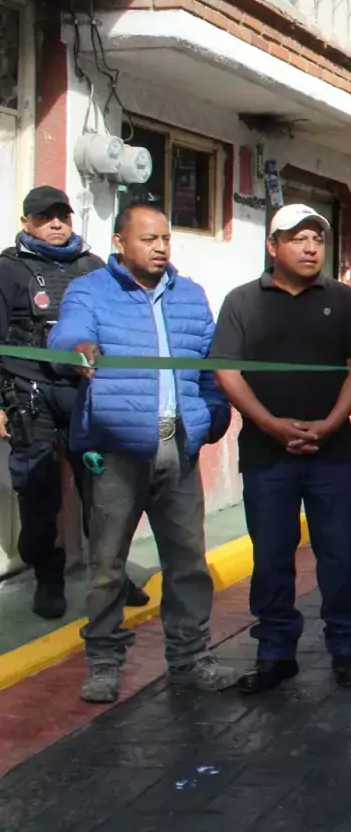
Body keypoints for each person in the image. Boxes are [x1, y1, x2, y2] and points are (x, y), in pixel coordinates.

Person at [50, 202, 235, 703]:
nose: (159, 248)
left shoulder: (190, 296)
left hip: (179, 449)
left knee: (188, 563)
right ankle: (105, 661)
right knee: (108, 566)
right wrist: (80, 349)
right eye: (148, 239)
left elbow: (210, 366)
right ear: (120, 243)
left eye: (166, 239)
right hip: (117, 453)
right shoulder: (90, 291)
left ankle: (190, 659)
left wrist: (211, 419)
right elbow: (67, 333)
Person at [211, 205, 351, 695]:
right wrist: (271, 426)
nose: (310, 248)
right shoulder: (242, 302)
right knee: (272, 557)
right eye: (298, 238)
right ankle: (275, 653)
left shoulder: (344, 300)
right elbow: (227, 371)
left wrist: (329, 425)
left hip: (331, 456)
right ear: (272, 246)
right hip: (268, 457)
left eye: (317, 240)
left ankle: (346, 652)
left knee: (341, 555)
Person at [0, 186, 139, 620]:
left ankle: (111, 574)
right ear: (27, 223)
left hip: (86, 394)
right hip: (29, 394)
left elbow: (118, 329)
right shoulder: (7, 269)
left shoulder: (93, 267)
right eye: (45, 217)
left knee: (104, 493)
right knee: (39, 496)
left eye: (62, 215)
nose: (56, 224)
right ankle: (48, 579)